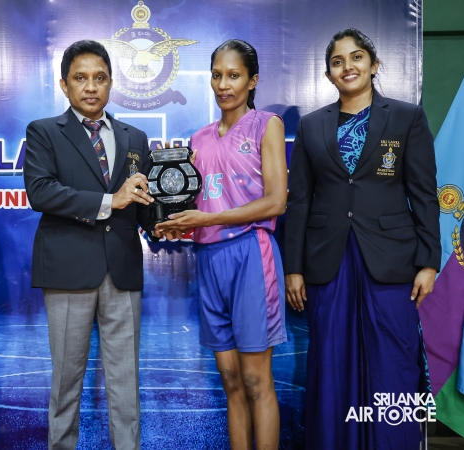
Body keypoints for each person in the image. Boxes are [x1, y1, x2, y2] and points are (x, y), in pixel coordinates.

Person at [285, 29, 440, 449]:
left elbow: (424, 194)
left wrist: (429, 262)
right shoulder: (312, 126)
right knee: (331, 362)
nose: (348, 66)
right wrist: (293, 268)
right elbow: (299, 201)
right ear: (328, 75)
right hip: (327, 261)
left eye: (356, 57)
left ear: (374, 65)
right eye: (337, 62)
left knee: (394, 363)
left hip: (391, 260)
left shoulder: (407, 117)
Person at [24, 40, 157, 450]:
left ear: (112, 83)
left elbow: (143, 204)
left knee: (125, 384)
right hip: (68, 270)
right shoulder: (44, 131)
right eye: (80, 78)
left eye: (99, 78)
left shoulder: (136, 138)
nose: (91, 87)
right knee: (66, 383)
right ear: (64, 85)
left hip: (122, 270)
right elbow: (41, 192)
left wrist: (167, 223)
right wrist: (109, 201)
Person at [156, 39, 288, 450]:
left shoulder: (266, 124)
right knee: (231, 380)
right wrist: (175, 226)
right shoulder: (198, 139)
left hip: (251, 254)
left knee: (255, 380)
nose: (223, 84)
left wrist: (207, 219)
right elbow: (197, 207)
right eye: (217, 75)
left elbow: (276, 202)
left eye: (233, 75)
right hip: (209, 257)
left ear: (252, 80)